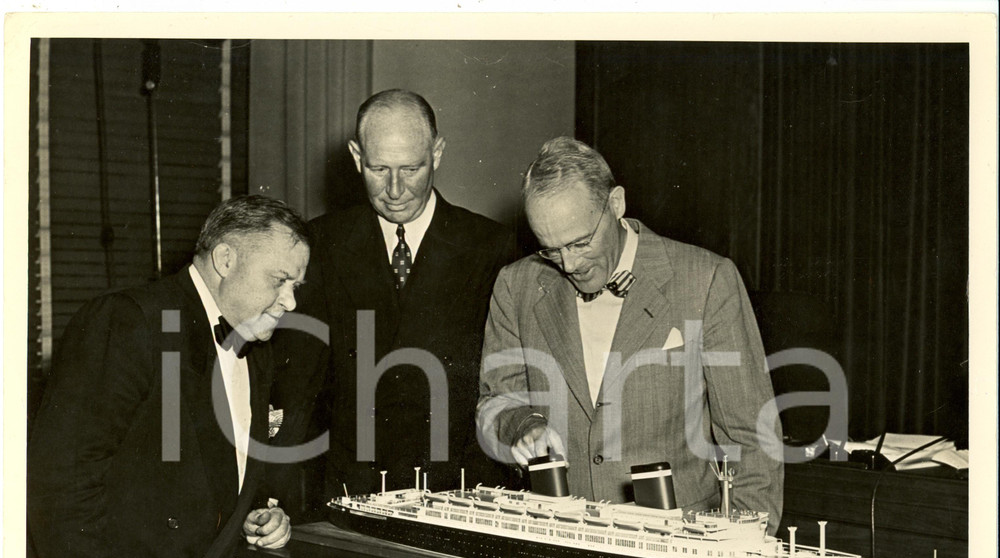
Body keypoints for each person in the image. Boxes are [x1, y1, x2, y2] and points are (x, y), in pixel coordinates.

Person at [25, 195, 311, 558]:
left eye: (297, 285)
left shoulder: (255, 350)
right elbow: (60, 472)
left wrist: (261, 512)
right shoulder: (129, 320)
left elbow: (207, 472)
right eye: (280, 280)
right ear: (226, 259)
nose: (292, 300)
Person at [477, 137, 783, 530]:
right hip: (559, 534)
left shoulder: (705, 280)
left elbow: (752, 438)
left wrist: (744, 553)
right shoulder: (515, 285)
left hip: (680, 543)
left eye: (581, 242)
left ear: (616, 204)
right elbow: (496, 400)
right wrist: (523, 425)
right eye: (550, 250)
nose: (569, 265)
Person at [270, 88, 517, 515]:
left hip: (459, 493)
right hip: (347, 490)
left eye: (412, 168)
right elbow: (299, 387)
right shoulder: (319, 244)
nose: (396, 189)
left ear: (437, 153)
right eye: (379, 168)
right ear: (355, 156)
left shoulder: (493, 248)